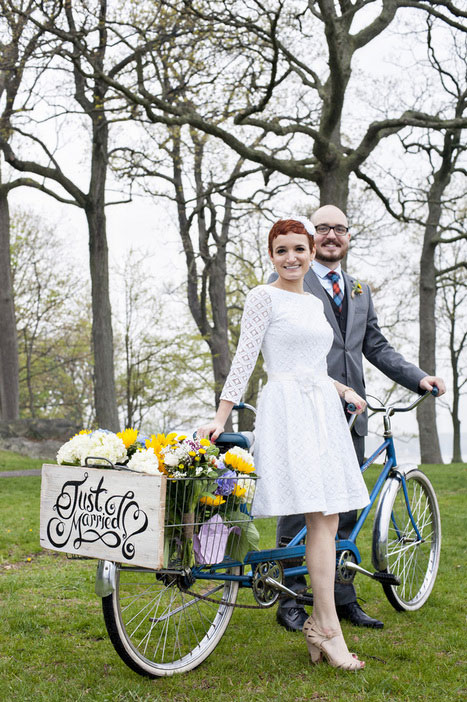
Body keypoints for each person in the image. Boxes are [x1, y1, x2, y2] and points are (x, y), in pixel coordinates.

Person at [198, 217, 370, 671]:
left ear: (312, 252)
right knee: (319, 513)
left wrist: (343, 389)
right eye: (281, 250)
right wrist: (221, 415)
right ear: (271, 255)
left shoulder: (315, 304)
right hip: (288, 409)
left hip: (322, 409)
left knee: (328, 516)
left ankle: (319, 621)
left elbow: (314, 365)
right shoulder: (263, 296)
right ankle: (328, 628)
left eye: (299, 249)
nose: (291, 258)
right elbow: (245, 358)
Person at [272, 204, 446, 633]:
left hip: (353, 413)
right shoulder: (293, 276)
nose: (332, 235)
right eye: (323, 228)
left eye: (341, 229)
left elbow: (376, 346)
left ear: (348, 237)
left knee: (347, 507)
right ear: (312, 238)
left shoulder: (360, 289)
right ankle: (292, 598)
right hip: (309, 409)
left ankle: (342, 597)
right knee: (304, 510)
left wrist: (419, 377)